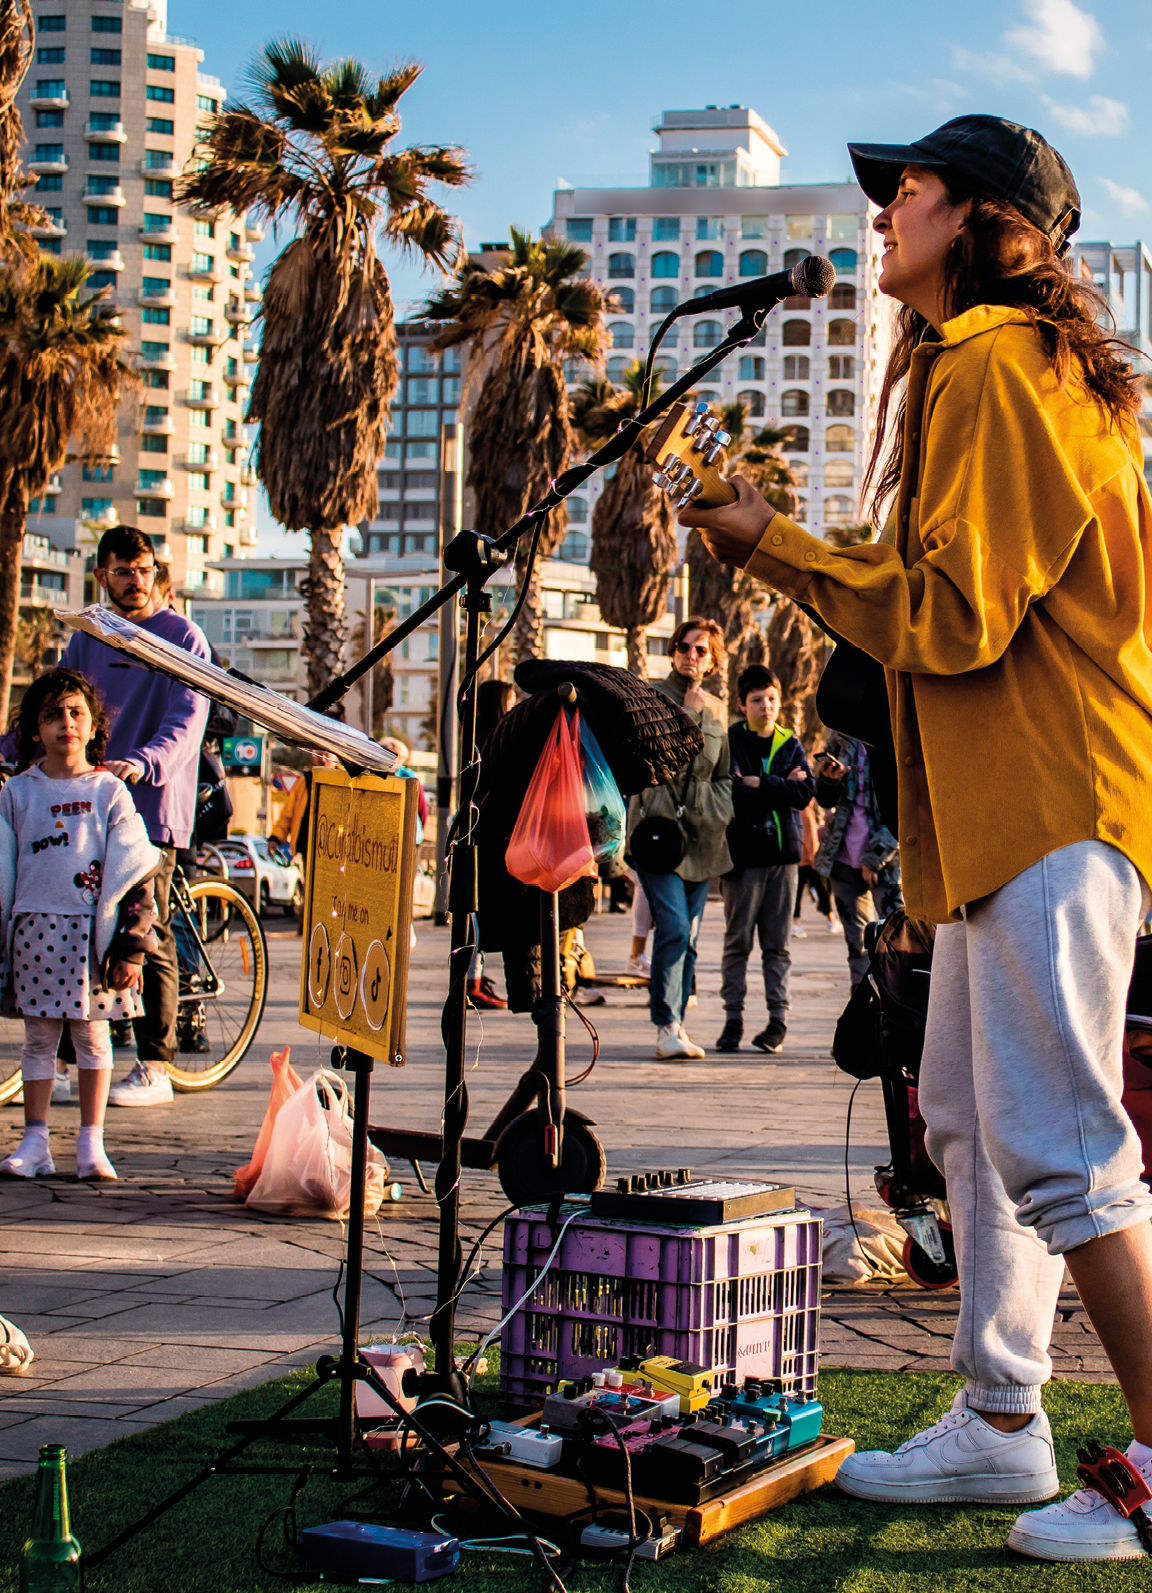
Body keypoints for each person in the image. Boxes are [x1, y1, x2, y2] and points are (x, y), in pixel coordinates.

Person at [681, 113, 1152, 1561]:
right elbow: (939, 594)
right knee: (963, 1122)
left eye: (912, 190)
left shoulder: (1006, 367)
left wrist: (777, 547)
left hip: (1053, 800)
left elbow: (956, 613)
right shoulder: (975, 370)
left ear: (981, 220)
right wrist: (792, 545)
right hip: (1005, 810)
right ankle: (1004, 1422)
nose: (884, 210)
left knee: (1067, 1144)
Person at [61, 527, 209, 1107]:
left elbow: (188, 715)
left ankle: (156, 1065)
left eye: (143, 570)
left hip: (151, 803)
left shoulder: (183, 636)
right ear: (102, 576)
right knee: (82, 926)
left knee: (149, 931)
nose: (135, 582)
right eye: (122, 572)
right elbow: (62, 699)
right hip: (91, 801)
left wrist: (143, 762)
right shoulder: (93, 633)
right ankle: (75, 1059)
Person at [0, 671, 159, 1181]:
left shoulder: (110, 792)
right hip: (32, 935)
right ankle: (35, 1141)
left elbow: (136, 873)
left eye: (75, 713)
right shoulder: (16, 794)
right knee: (39, 1041)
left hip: (94, 940)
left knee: (93, 1039)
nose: (65, 723)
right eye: (51, 715)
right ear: (32, 729)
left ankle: (92, 1143)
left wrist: (132, 947)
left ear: (94, 726)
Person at [625, 617, 732, 1060]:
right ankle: (665, 1024)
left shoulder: (720, 709)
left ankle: (678, 1024)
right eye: (684, 647)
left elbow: (722, 770)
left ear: (713, 660)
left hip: (704, 836)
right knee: (670, 925)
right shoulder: (650, 694)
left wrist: (721, 807)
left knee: (688, 935)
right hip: (658, 835)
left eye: (701, 650)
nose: (691, 655)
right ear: (672, 652)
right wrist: (687, 712)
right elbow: (657, 754)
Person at [716, 665, 813, 1053]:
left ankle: (778, 1021)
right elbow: (735, 793)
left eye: (772, 698)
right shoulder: (732, 741)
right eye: (757, 700)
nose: (767, 706)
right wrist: (783, 785)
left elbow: (806, 794)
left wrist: (765, 783)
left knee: (779, 945)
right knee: (737, 941)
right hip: (745, 858)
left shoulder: (791, 742)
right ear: (743, 704)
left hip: (784, 859)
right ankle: (732, 1020)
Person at [812, 732, 902, 986]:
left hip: (889, 860)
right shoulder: (840, 738)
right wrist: (828, 780)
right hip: (842, 857)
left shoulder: (895, 733)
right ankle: (864, 1014)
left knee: (897, 945)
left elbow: (906, 806)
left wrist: (875, 857)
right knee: (858, 947)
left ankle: (896, 1015)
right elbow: (824, 799)